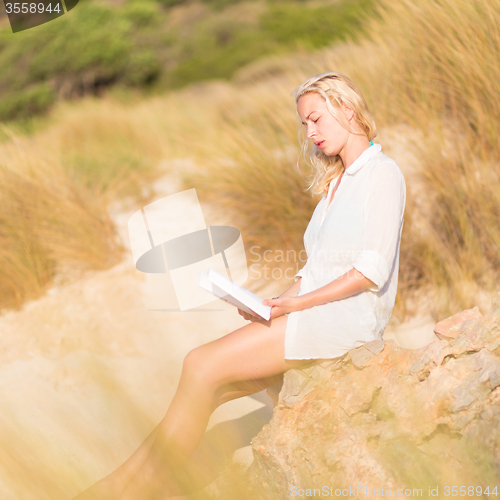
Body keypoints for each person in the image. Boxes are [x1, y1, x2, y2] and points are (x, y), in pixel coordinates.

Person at [73, 71, 406, 499]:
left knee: (199, 363)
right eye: (304, 124)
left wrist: (293, 308)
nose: (310, 133)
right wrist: (271, 303)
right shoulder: (334, 186)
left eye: (316, 119)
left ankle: (118, 491)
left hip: (347, 319)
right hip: (313, 313)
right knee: (208, 387)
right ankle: (118, 487)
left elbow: (368, 272)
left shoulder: (382, 173)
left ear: (347, 109)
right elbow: (314, 270)